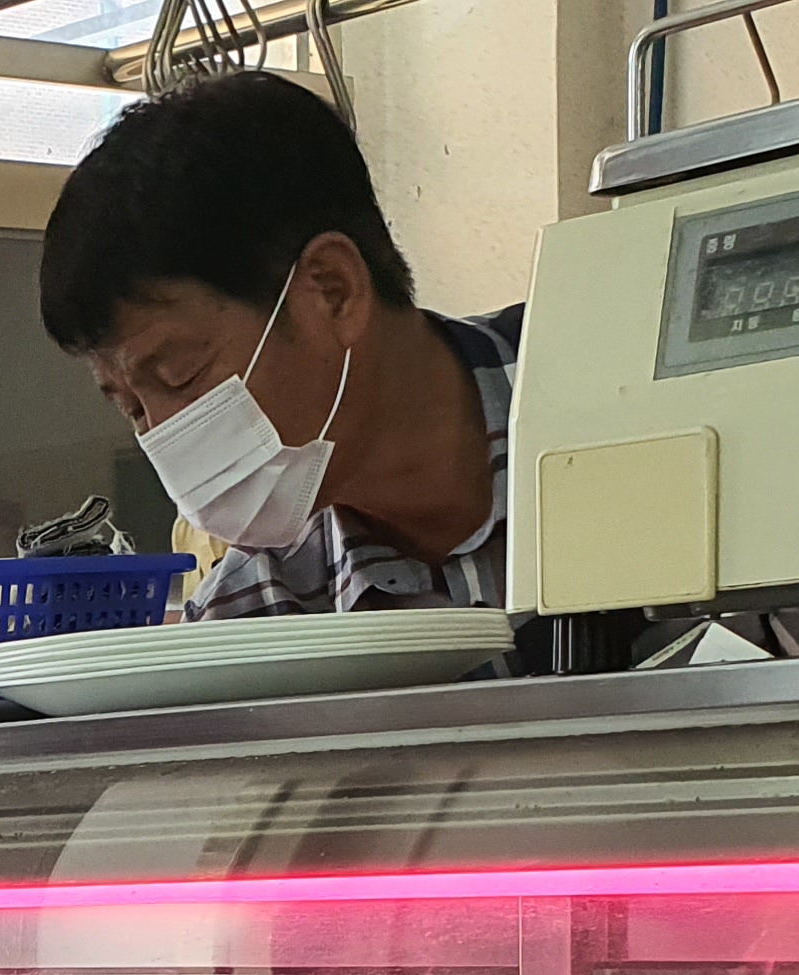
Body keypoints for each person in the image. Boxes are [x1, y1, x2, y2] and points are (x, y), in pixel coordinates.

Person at [40, 72, 514, 621]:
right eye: (134, 409)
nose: (168, 437)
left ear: (332, 291)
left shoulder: (597, 382)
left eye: (180, 374)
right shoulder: (254, 615)